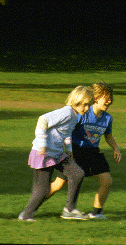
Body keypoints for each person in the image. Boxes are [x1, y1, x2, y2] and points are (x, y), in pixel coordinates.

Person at [45, 81, 121, 219]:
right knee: (58, 185)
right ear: (96, 98)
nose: (110, 100)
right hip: (76, 151)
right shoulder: (84, 114)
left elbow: (108, 136)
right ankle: (33, 205)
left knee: (107, 181)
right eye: (107, 97)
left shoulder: (108, 118)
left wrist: (116, 148)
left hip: (93, 153)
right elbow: (67, 130)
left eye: (111, 98)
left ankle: (96, 213)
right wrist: (66, 149)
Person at [18, 86, 94, 222]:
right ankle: (26, 215)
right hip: (44, 153)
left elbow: (65, 133)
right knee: (42, 190)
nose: (87, 108)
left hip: (57, 154)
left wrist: (69, 149)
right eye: (85, 104)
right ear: (77, 100)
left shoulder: (74, 117)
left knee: (77, 173)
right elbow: (43, 120)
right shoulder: (66, 112)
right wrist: (42, 143)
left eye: (89, 105)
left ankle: (69, 209)